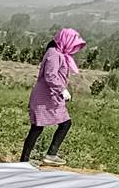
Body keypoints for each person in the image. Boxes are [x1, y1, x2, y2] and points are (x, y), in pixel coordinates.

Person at [21, 28, 86, 165]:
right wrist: (62, 89)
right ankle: (26, 160)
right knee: (38, 127)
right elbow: (50, 75)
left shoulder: (60, 54)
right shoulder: (53, 54)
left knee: (64, 123)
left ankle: (49, 155)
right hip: (44, 97)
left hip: (52, 97)